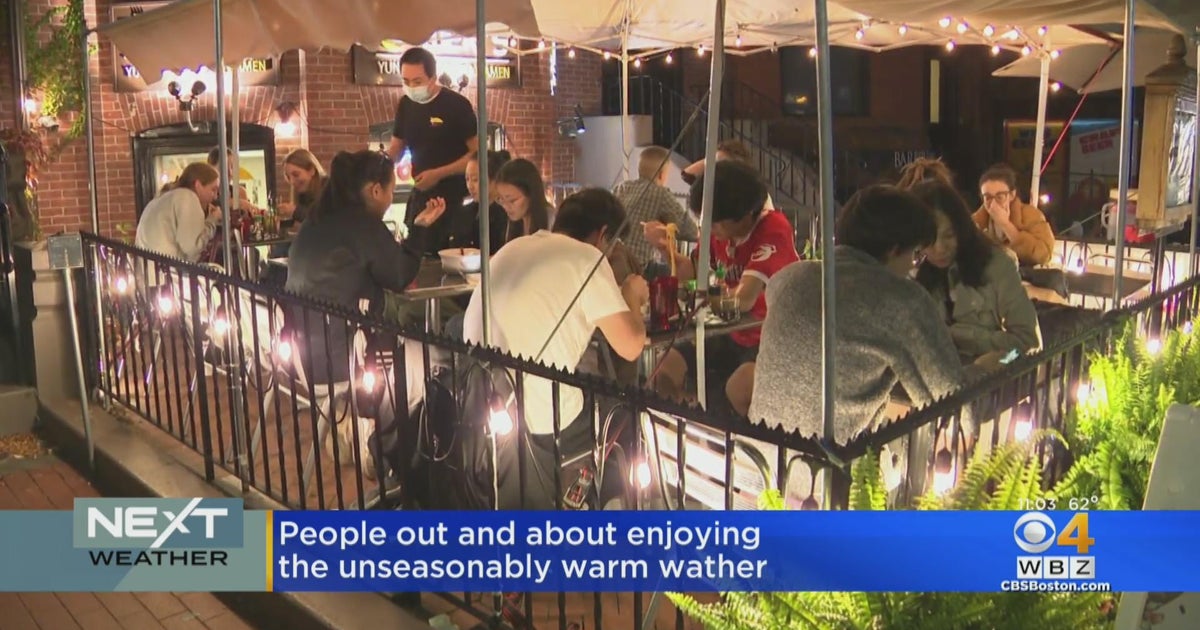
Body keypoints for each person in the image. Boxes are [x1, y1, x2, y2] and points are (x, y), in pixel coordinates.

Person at [462, 188, 648, 508]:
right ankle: (609, 505)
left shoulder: (515, 246)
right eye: (613, 246)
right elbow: (631, 346)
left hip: (480, 396)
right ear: (604, 234)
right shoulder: (586, 258)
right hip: (539, 415)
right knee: (624, 405)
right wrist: (632, 295)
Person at [748, 184, 964, 444]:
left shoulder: (788, 279)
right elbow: (951, 404)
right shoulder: (901, 298)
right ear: (894, 249)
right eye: (915, 255)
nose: (912, 266)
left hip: (759, 455)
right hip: (831, 470)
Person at [644, 160, 799, 415]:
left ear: (747, 214)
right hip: (730, 334)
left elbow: (744, 300)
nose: (710, 230)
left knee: (738, 387)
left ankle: (739, 447)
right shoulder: (716, 232)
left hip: (770, 336)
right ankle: (683, 428)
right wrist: (669, 252)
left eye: (716, 223)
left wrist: (704, 299)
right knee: (665, 367)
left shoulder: (773, 230)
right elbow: (692, 273)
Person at [285, 150, 446, 386]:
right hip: (344, 357)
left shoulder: (315, 220)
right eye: (391, 191)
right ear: (376, 190)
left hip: (300, 354)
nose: (391, 199)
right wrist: (420, 229)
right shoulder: (363, 225)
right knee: (424, 356)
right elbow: (399, 275)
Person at [907, 179, 1043, 363]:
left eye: (949, 235)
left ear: (962, 228)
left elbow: (1030, 346)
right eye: (928, 239)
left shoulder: (998, 266)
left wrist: (998, 363)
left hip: (993, 385)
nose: (939, 248)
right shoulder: (910, 272)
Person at [386, 46, 479, 253]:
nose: (411, 87)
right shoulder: (405, 105)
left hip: (454, 197)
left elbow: (477, 153)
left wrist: (438, 173)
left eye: (417, 82)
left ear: (433, 78)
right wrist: (379, 164)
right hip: (421, 194)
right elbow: (397, 146)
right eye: (405, 81)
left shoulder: (457, 105)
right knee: (416, 252)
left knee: (448, 252)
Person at [613, 145, 698, 270]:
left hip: (613, 263)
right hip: (638, 266)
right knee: (678, 273)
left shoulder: (620, 188)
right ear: (661, 175)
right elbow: (690, 231)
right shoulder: (661, 194)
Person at [135, 162, 222, 263]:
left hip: (150, 271)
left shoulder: (162, 198)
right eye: (213, 190)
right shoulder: (188, 197)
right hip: (169, 273)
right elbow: (193, 248)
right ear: (198, 185)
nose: (215, 196)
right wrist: (212, 220)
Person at [975, 163, 1055, 266]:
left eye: (1000, 196)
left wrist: (1006, 225)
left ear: (1012, 195)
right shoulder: (976, 223)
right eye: (988, 197)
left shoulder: (1030, 215)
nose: (993, 204)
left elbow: (1044, 255)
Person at [681, 139, 776, 210]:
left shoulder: (749, 192)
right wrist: (711, 159)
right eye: (715, 164)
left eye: (722, 165)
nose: (717, 169)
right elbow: (687, 174)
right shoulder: (721, 188)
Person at [451, 149, 511, 251]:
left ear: (495, 179)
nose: (470, 186)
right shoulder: (465, 212)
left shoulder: (508, 214)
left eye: (475, 180)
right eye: (467, 179)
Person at [493, 158, 553, 246]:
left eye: (512, 200)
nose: (505, 206)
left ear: (531, 194)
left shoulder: (552, 219)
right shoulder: (515, 221)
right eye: (501, 199)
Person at [278, 148, 327, 225]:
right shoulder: (303, 194)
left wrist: (295, 211)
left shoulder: (329, 189)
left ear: (311, 170)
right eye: (288, 177)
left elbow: (326, 221)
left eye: (296, 175)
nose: (292, 181)